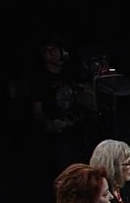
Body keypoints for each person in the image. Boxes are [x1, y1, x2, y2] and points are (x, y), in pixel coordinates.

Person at [31, 32, 88, 175]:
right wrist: (50, 123)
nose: (50, 54)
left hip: (80, 130)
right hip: (59, 134)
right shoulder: (40, 79)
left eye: (53, 49)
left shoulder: (73, 72)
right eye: (46, 51)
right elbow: (37, 111)